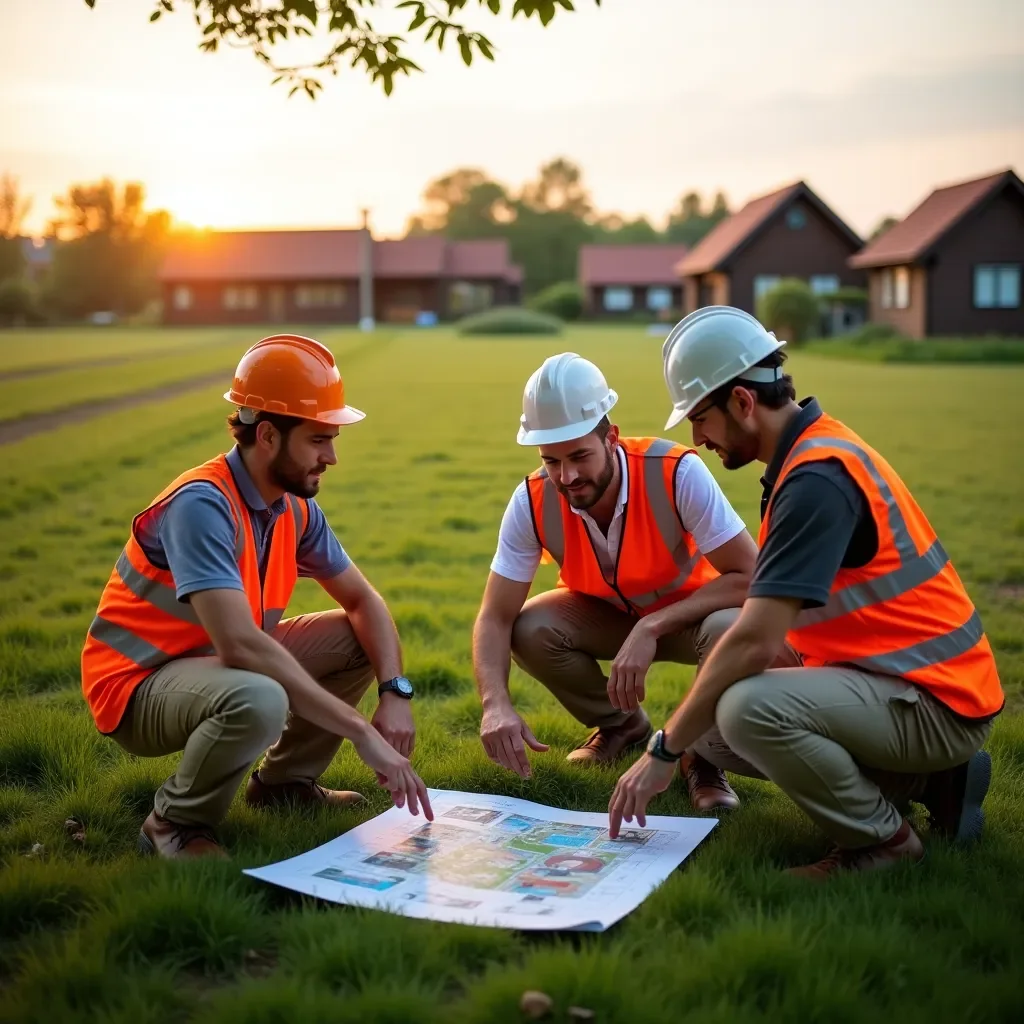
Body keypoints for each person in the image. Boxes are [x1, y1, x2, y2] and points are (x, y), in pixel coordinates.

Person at [608, 306, 1003, 879]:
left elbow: (755, 640)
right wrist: (685, 740)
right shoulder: (805, 455)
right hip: (884, 671)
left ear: (743, 401)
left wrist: (663, 750)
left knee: (744, 708)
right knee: (715, 730)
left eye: (699, 417)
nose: (696, 438)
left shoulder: (816, 479)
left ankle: (884, 842)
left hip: (938, 700)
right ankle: (932, 784)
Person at [80, 334, 432, 860]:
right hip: (138, 684)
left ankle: (284, 785)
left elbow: (364, 602)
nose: (331, 456)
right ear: (267, 435)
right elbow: (241, 646)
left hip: (219, 663)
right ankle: (174, 825)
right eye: (318, 439)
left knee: (355, 637)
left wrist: (394, 693)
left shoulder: (295, 507)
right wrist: (359, 730)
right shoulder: (202, 504)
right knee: (258, 696)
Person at [473, 351, 758, 811]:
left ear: (612, 438)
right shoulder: (531, 499)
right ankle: (622, 725)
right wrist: (494, 704)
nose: (567, 476)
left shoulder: (676, 471)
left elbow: (751, 576)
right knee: (529, 627)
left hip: (692, 620)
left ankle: (700, 754)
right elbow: (494, 615)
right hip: (609, 617)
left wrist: (652, 626)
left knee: (734, 628)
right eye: (551, 460)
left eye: (580, 455)